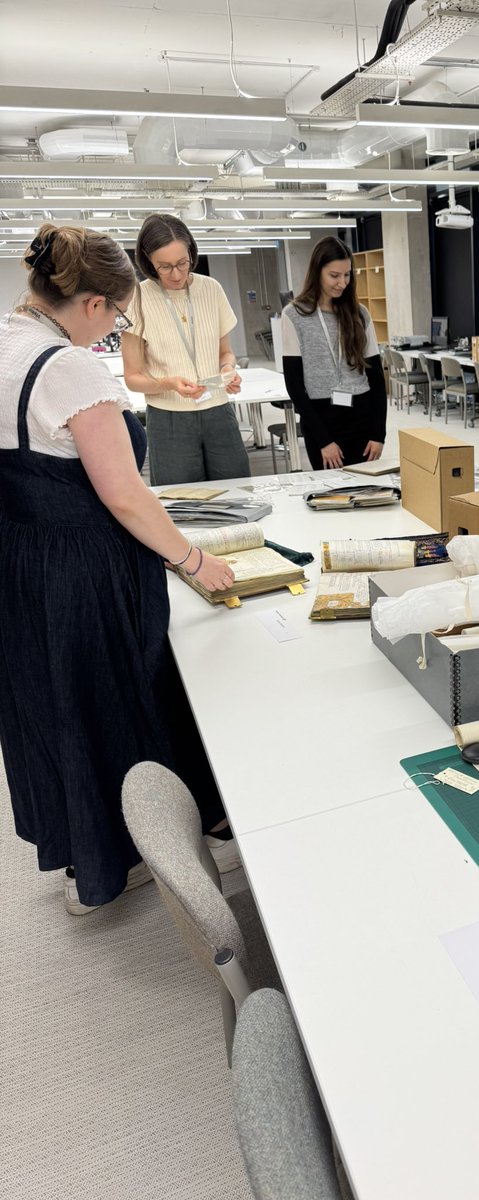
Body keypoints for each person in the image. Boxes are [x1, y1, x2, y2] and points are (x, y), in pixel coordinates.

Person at [0, 223, 240, 916]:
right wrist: (193, 559)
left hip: (22, 560)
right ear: (97, 305)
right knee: (118, 700)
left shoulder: (7, 340)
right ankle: (138, 848)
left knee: (53, 706)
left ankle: (86, 856)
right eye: (118, 316)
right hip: (83, 566)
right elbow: (124, 494)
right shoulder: (68, 367)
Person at [121, 213, 249, 486]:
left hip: (219, 413)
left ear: (191, 252)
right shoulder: (138, 298)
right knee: (182, 503)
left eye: (182, 263)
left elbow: (225, 353)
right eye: (164, 267)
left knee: (238, 494)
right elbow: (132, 377)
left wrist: (228, 369)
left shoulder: (211, 288)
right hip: (169, 421)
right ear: (147, 261)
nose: (176, 274)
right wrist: (168, 383)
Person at [280, 236, 387, 470]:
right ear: (318, 272)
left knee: (367, 494)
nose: (342, 283)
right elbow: (295, 385)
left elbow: (377, 377)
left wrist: (379, 433)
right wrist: (324, 440)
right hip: (321, 419)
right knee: (333, 496)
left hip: (361, 416)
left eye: (347, 275)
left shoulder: (359, 314)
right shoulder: (294, 315)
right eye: (334, 276)